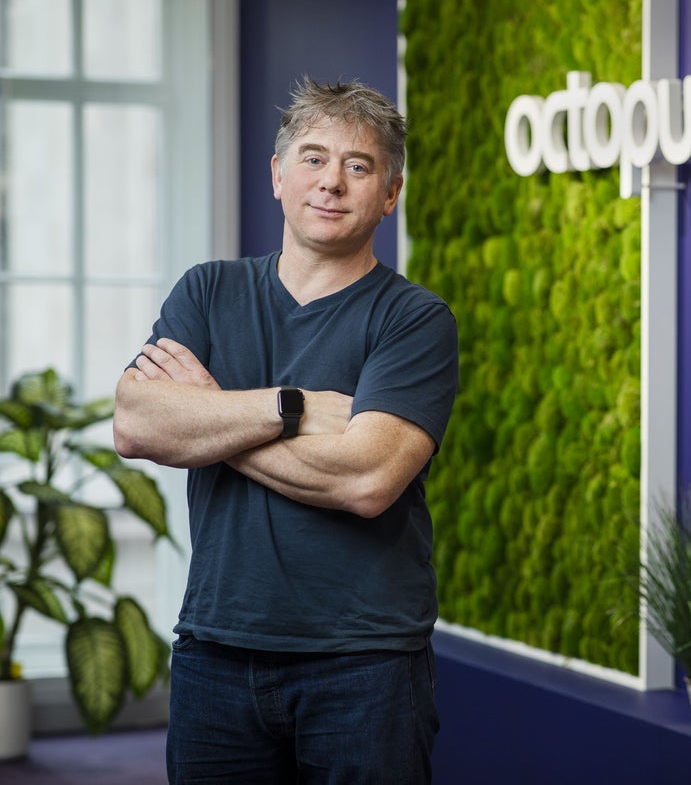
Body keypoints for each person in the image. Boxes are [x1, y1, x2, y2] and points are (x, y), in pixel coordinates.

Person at [113, 76, 458, 785]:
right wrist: (289, 406)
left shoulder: (415, 320)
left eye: (358, 166)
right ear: (277, 175)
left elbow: (366, 480)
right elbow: (135, 424)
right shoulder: (207, 290)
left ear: (390, 194)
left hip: (365, 665)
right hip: (216, 650)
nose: (331, 181)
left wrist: (209, 417)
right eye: (313, 157)